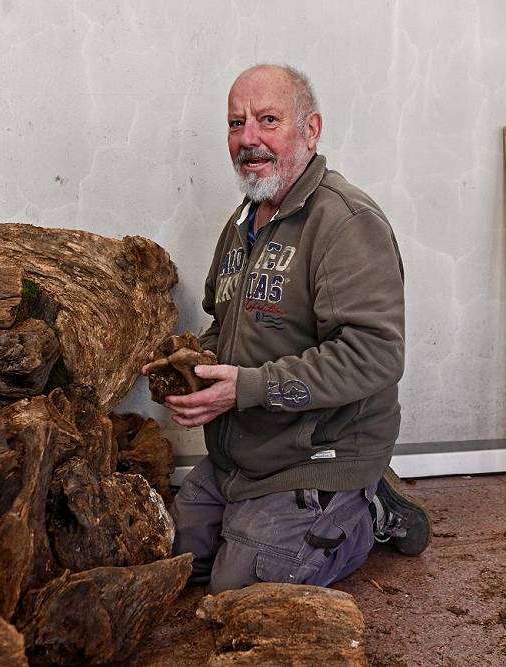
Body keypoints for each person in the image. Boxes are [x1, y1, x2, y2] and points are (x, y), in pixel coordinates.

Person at [144, 64, 431, 593]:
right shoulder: (243, 222)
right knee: (168, 559)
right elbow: (225, 326)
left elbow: (375, 354)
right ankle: (275, 518)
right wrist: (191, 367)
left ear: (311, 130)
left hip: (316, 455)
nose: (248, 138)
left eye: (268, 120)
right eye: (237, 123)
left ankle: (364, 509)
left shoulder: (347, 223)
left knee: (240, 591)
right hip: (243, 455)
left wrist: (247, 389)